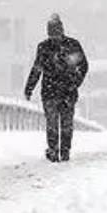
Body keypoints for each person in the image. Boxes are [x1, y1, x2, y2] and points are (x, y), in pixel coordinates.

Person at [24, 14, 89, 162]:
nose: (54, 37)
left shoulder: (45, 48)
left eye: (55, 33)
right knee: (64, 123)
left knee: (54, 123)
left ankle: (56, 150)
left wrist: (29, 88)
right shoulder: (72, 45)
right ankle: (62, 150)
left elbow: (37, 69)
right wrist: (75, 82)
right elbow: (83, 66)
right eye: (52, 33)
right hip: (66, 91)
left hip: (52, 91)